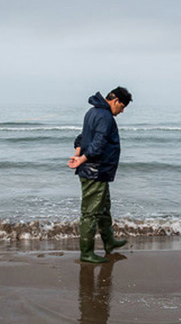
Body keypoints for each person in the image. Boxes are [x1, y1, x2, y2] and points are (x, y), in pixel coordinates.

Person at [68, 87, 132, 263]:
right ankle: (86, 253)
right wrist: (81, 160)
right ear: (116, 100)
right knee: (90, 213)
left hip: (98, 172)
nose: (123, 110)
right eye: (123, 106)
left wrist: (78, 153)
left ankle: (109, 242)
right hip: (94, 172)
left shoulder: (92, 112)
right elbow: (98, 143)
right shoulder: (105, 117)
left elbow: (82, 137)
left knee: (104, 209)